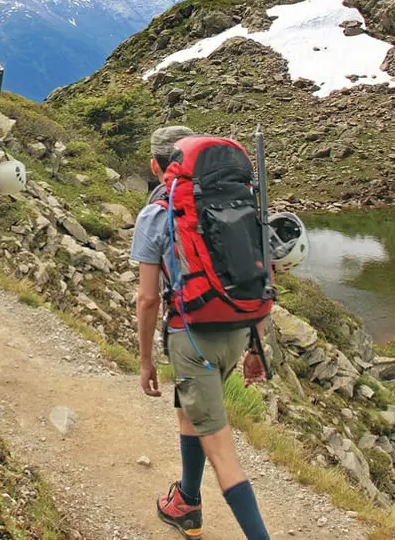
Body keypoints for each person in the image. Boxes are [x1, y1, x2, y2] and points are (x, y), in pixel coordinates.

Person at [134, 126, 272, 540]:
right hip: (238, 331)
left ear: (158, 166)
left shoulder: (157, 214)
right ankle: (187, 503)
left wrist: (145, 360)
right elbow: (260, 277)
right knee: (189, 410)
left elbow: (147, 299)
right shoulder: (240, 202)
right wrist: (256, 347)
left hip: (192, 337)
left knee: (222, 453)